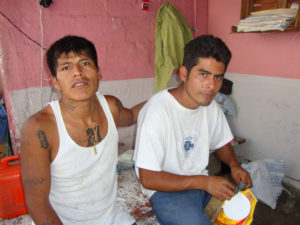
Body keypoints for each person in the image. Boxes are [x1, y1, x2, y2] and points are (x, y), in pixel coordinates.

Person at [20, 35, 144, 225]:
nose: (77, 72)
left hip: (111, 218)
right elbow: (37, 203)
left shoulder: (110, 107)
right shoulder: (40, 128)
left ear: (99, 72)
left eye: (85, 63)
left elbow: (134, 115)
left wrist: (171, 96)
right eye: (66, 67)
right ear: (55, 81)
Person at [133, 35, 253, 225]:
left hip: (200, 184)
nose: (211, 86)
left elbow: (222, 142)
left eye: (218, 77)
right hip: (166, 191)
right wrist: (205, 182)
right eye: (203, 74)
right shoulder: (157, 112)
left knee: (241, 216)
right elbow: (148, 178)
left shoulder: (211, 106)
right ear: (183, 74)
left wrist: (234, 165)